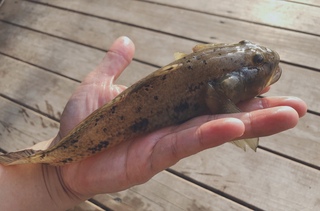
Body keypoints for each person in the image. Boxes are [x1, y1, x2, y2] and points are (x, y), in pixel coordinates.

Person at [0, 37, 307, 210]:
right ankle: (47, 158)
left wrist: (52, 179)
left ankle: (45, 159)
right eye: (257, 64)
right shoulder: (221, 86)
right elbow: (216, 89)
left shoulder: (218, 73)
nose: (266, 66)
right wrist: (54, 177)